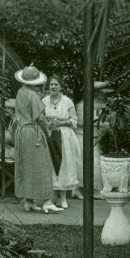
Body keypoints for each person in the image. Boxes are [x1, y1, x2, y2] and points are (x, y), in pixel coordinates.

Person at [10, 66, 57, 210]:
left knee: (26, 165)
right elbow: (40, 118)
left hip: (21, 132)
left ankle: (29, 201)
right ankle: (47, 201)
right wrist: (48, 130)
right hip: (32, 131)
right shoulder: (32, 95)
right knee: (42, 164)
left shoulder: (20, 92)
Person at [43, 78, 84, 210]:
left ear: (61, 87)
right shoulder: (44, 101)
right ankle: (53, 197)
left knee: (65, 165)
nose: (53, 87)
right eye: (51, 85)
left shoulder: (67, 101)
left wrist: (60, 122)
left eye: (56, 84)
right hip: (49, 134)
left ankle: (63, 198)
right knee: (50, 165)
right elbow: (41, 118)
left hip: (64, 136)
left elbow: (74, 121)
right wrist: (48, 123)